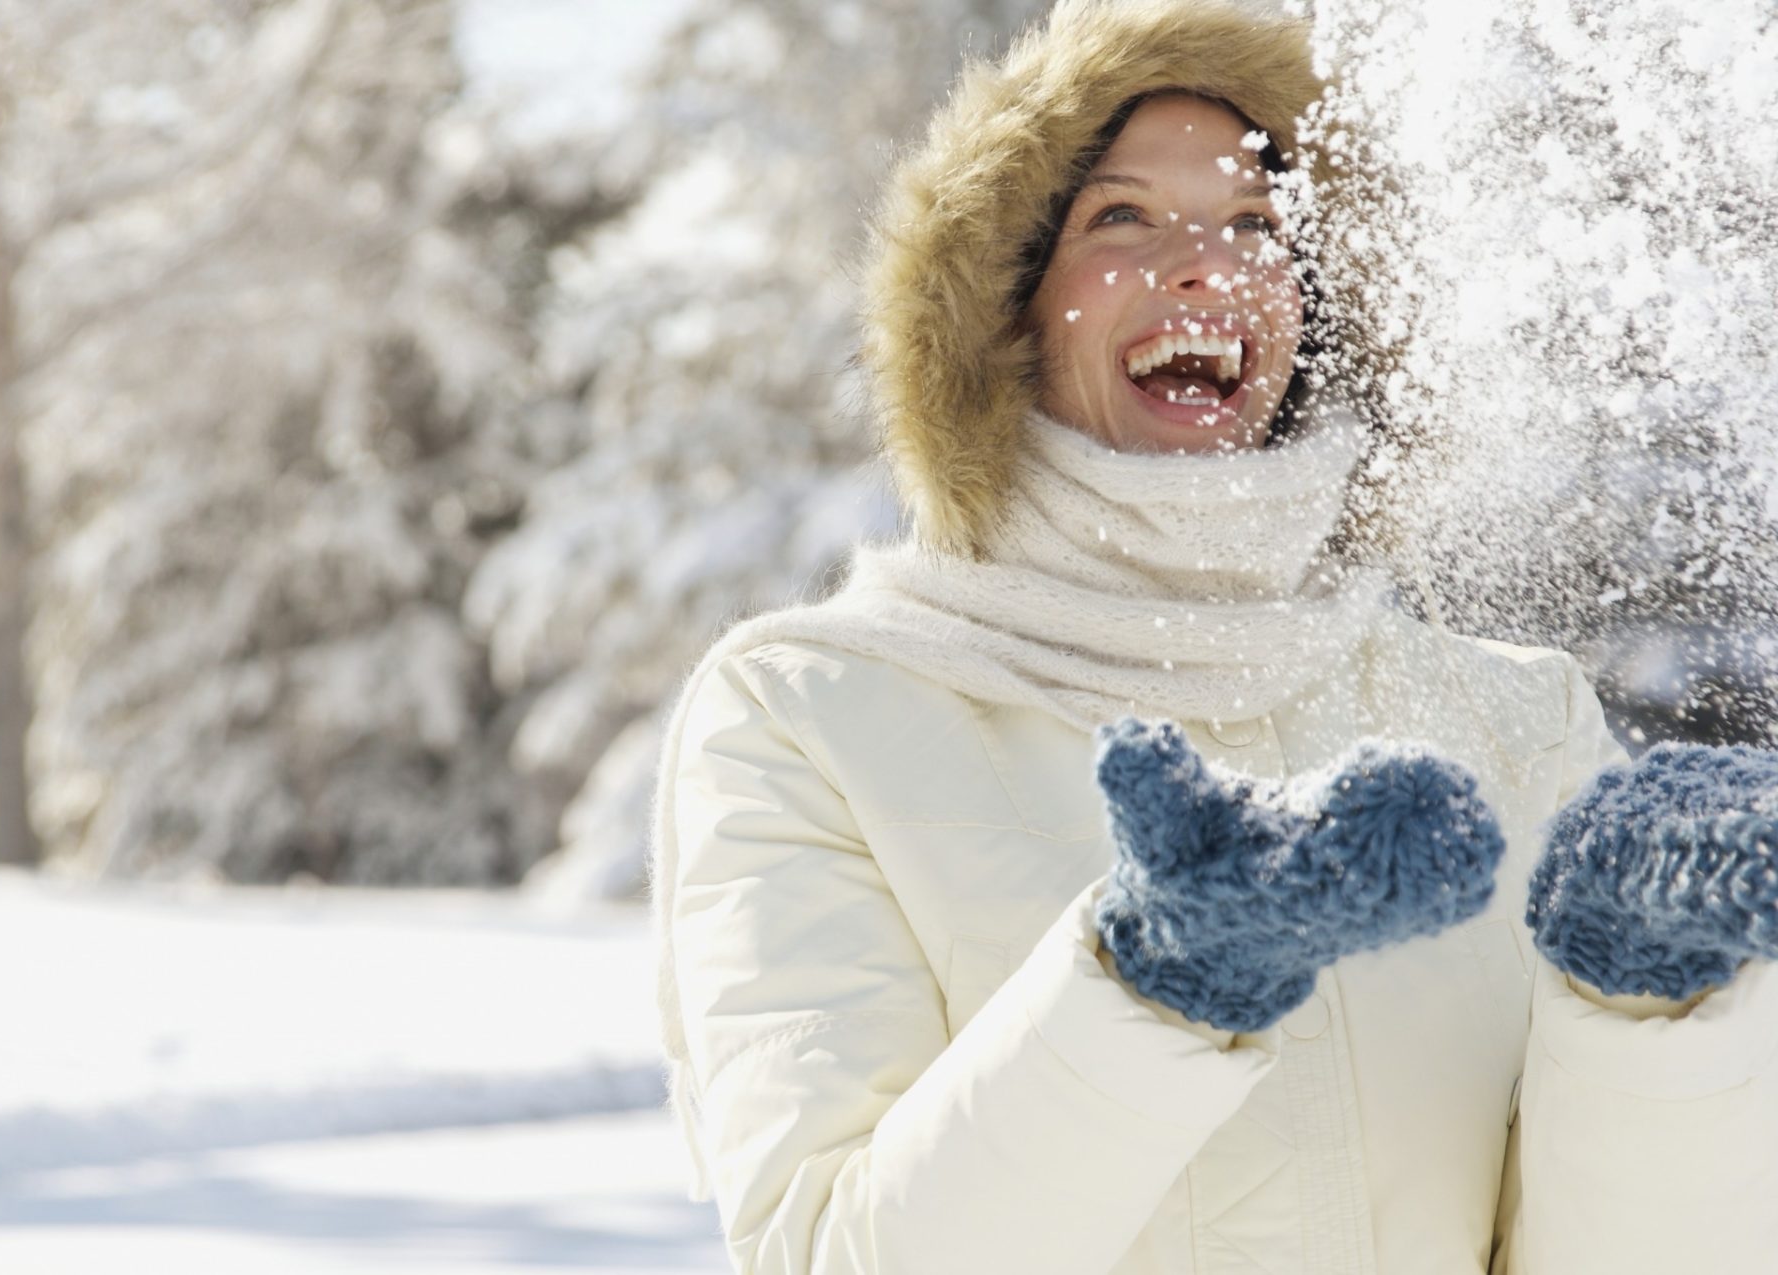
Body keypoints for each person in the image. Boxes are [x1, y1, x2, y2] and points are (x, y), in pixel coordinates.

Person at [646, 1, 1778, 1272]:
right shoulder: (811, 714)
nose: (1208, 267)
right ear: (1002, 303)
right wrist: (1150, 986)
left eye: (1256, 222)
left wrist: (1650, 1009)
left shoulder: (1516, 723)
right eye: (1122, 217)